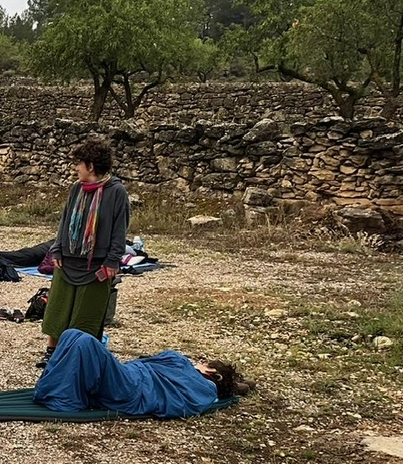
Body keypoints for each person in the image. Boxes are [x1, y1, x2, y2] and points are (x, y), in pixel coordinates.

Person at [39, 138, 131, 369]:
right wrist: (57, 249)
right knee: (58, 310)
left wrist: (112, 261)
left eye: (79, 164)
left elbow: (119, 230)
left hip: (96, 265)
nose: (76, 168)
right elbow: (65, 220)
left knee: (86, 315)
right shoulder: (76, 189)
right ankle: (52, 353)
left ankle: (78, 358)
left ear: (90, 166)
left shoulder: (116, 192)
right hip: (68, 260)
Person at [33, 328, 251, 418]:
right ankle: (55, 389)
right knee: (71, 334)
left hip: (132, 388)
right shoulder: (196, 381)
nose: (198, 363)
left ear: (212, 373)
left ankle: (62, 398)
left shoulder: (202, 387)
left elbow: (178, 402)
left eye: (203, 363)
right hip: (131, 378)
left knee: (84, 342)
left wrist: (184, 364)